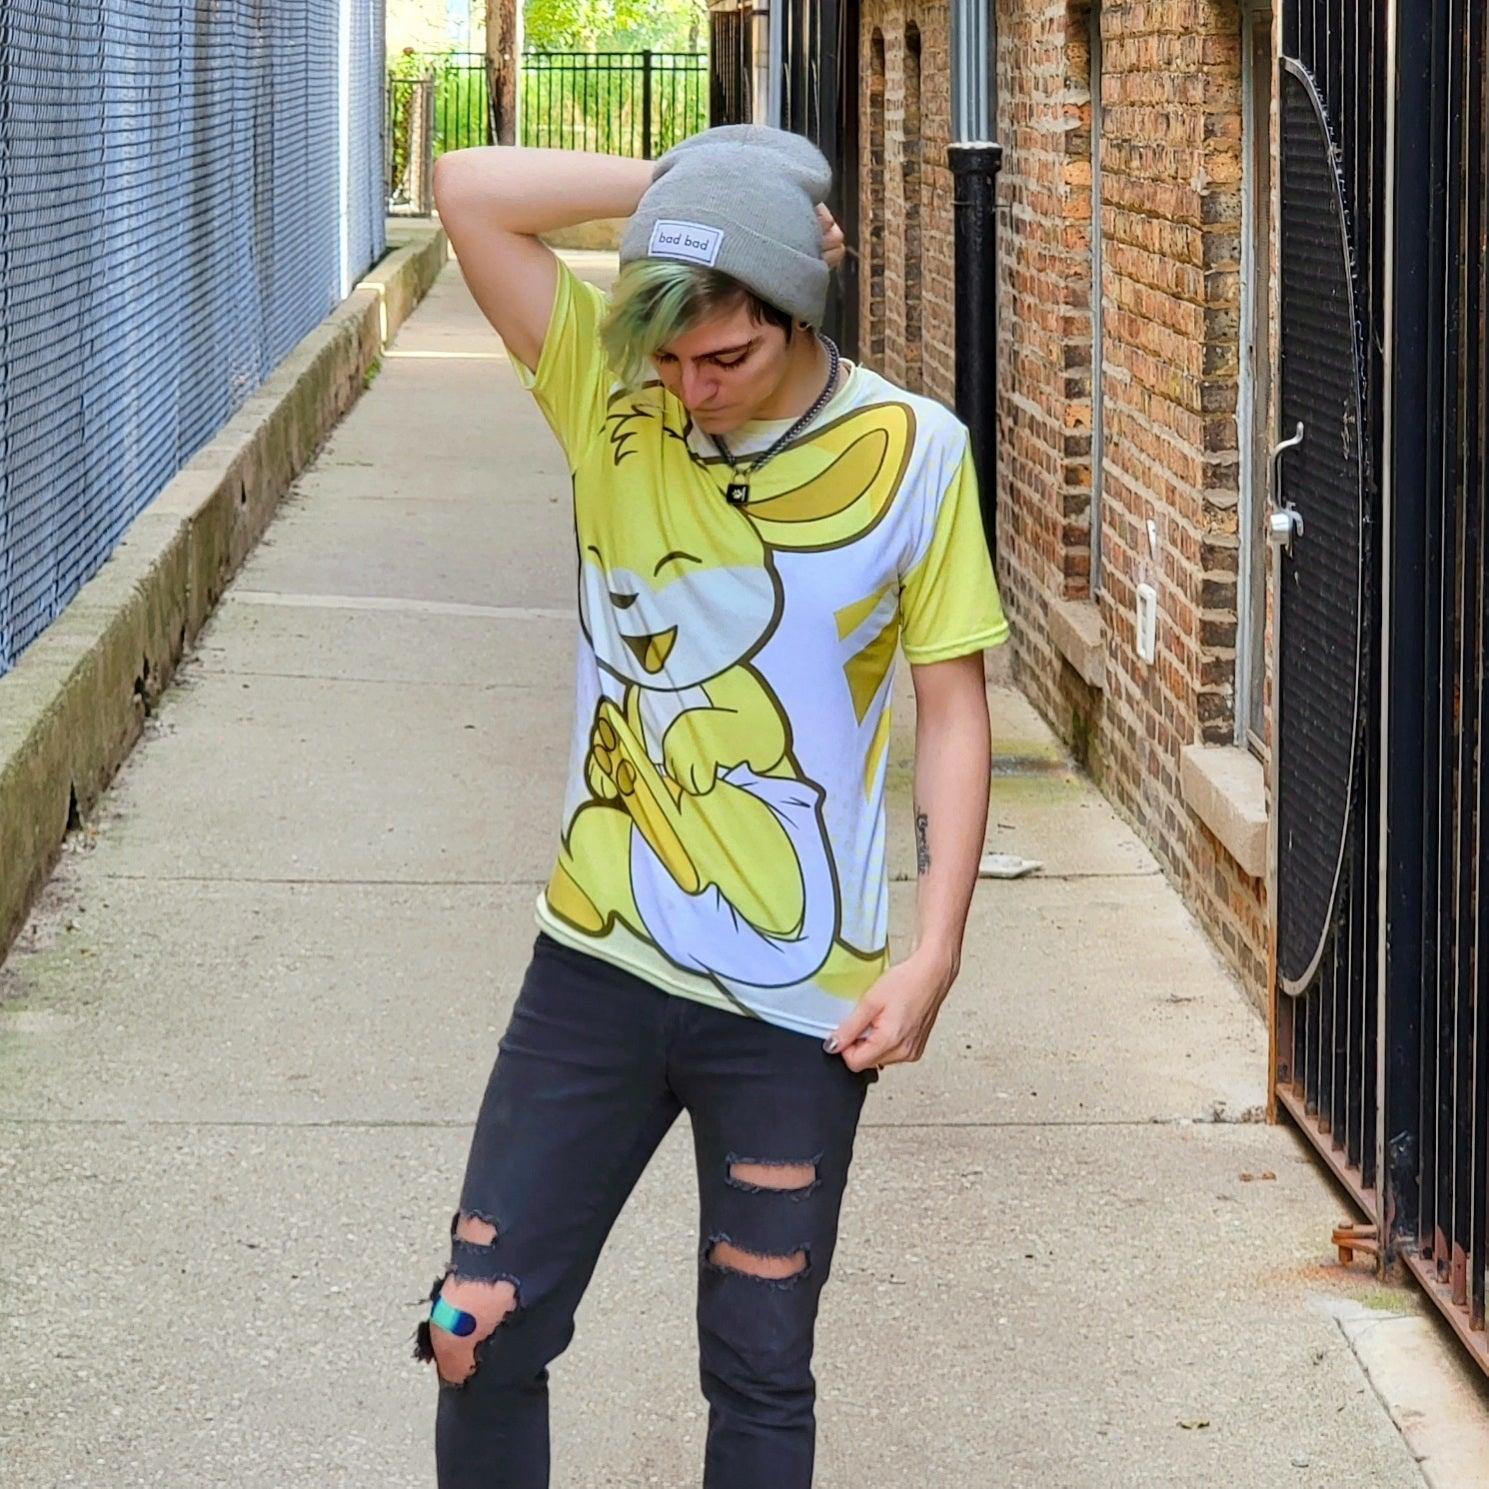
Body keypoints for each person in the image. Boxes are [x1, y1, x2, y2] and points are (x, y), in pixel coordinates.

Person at [416, 125, 1009, 1489]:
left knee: (757, 1369)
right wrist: (698, 201)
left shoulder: (915, 454)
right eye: (674, 357)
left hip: (800, 1008)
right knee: (472, 1327)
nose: (693, 390)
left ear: (799, 306)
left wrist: (935, 953)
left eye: (727, 357)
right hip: (594, 965)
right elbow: (467, 192)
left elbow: (953, 712)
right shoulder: (608, 389)